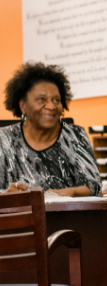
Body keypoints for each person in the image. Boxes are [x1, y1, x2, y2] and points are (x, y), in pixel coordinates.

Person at [0, 62, 101, 197]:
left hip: (66, 215)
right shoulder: (4, 139)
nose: (51, 106)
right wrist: (5, 194)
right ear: (23, 106)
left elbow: (94, 187)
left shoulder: (75, 136)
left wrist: (71, 192)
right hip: (19, 217)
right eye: (42, 99)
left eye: (56, 100)